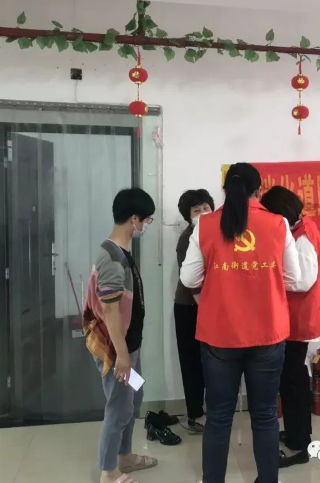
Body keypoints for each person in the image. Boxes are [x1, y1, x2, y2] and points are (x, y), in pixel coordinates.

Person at [180, 163, 302, 483]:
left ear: (224, 191)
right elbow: (295, 279)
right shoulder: (278, 224)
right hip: (268, 333)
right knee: (265, 416)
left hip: (219, 335)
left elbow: (189, 278)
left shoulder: (205, 224)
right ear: (259, 191)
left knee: (219, 418)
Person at [83, 188, 158, 483]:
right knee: (118, 405)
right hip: (117, 350)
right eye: (147, 220)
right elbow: (111, 311)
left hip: (130, 347)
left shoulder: (121, 251)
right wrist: (122, 356)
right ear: (134, 219)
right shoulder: (113, 259)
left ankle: (125, 455)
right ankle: (108, 470)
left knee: (134, 396)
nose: (146, 226)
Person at [260, 186, 320, 469]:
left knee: (293, 379)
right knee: (291, 378)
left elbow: (302, 281)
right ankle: (295, 432)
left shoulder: (303, 236)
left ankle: (300, 443)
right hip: (293, 318)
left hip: (299, 319)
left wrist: (271, 277)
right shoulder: (299, 230)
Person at [174, 189, 215, 434]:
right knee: (191, 362)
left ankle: (212, 411)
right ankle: (195, 414)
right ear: (188, 216)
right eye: (196, 210)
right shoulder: (186, 239)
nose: (202, 213)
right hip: (189, 307)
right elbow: (190, 280)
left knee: (212, 361)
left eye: (205, 207)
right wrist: (207, 308)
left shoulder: (218, 232)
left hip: (210, 306)